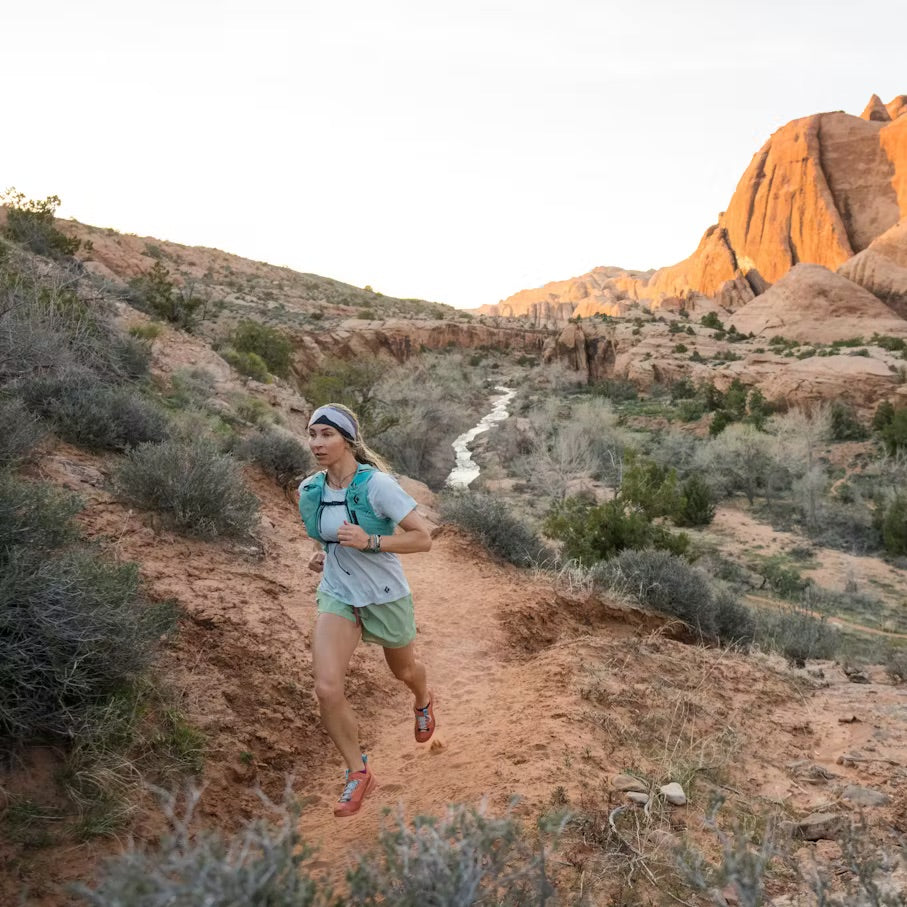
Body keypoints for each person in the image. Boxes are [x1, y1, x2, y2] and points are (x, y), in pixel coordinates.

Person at [297, 403, 436, 817]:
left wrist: (371, 543)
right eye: (312, 434)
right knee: (326, 687)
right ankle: (359, 772)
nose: (317, 443)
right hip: (339, 593)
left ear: (347, 439)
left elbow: (422, 539)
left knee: (404, 671)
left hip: (386, 593)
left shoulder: (377, 486)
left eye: (326, 435)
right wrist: (327, 555)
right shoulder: (310, 490)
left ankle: (424, 698)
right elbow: (328, 537)